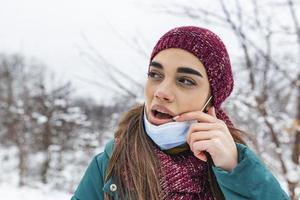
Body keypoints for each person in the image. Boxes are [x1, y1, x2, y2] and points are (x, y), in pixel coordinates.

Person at [71, 26, 290, 200]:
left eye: (185, 80)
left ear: (211, 99)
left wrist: (235, 170)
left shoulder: (235, 166)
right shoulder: (110, 164)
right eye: (155, 74)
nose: (161, 92)